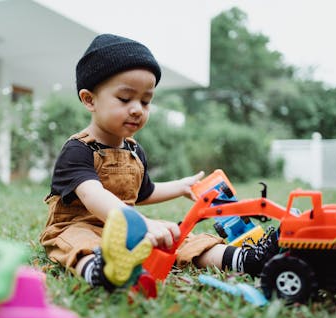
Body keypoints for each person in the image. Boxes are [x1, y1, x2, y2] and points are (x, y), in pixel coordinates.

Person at [39, 33, 279, 292]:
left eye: (145, 101)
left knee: (179, 237)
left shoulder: (133, 150)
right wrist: (142, 226)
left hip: (128, 230)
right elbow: (94, 195)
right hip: (78, 226)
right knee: (79, 242)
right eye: (125, 98)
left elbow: (146, 191)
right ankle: (102, 271)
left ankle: (245, 259)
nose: (137, 109)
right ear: (89, 99)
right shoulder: (77, 150)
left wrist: (182, 186)